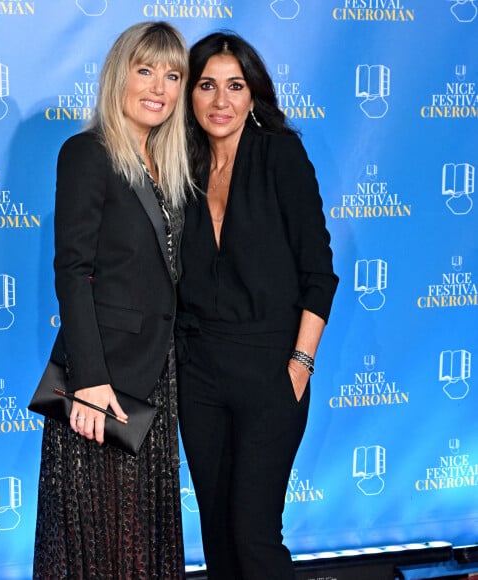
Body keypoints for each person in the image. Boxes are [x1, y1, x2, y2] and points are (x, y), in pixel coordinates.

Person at [33, 21, 193, 579]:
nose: (159, 86)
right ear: (118, 75)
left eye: (172, 74)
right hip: (104, 378)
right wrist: (89, 380)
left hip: (160, 374)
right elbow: (72, 272)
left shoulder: (169, 165)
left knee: (141, 538)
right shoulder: (87, 152)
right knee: (102, 542)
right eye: (145, 69)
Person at [175, 32, 339, 580]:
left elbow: (319, 273)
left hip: (271, 370)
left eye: (235, 86)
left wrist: (300, 364)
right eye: (206, 85)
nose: (221, 101)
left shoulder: (280, 154)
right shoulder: (181, 168)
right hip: (198, 376)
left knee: (254, 537)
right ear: (189, 95)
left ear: (253, 95)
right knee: (219, 541)